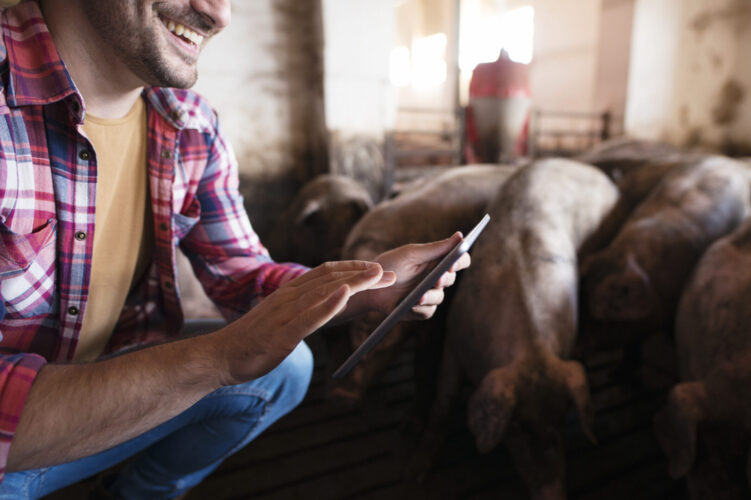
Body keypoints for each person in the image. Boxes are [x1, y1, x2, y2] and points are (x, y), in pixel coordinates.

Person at [0, 1, 470, 498]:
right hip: (18, 446)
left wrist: (370, 285)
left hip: (100, 400)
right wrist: (219, 357)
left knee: (287, 368)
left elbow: (243, 275)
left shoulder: (191, 125)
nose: (218, 13)